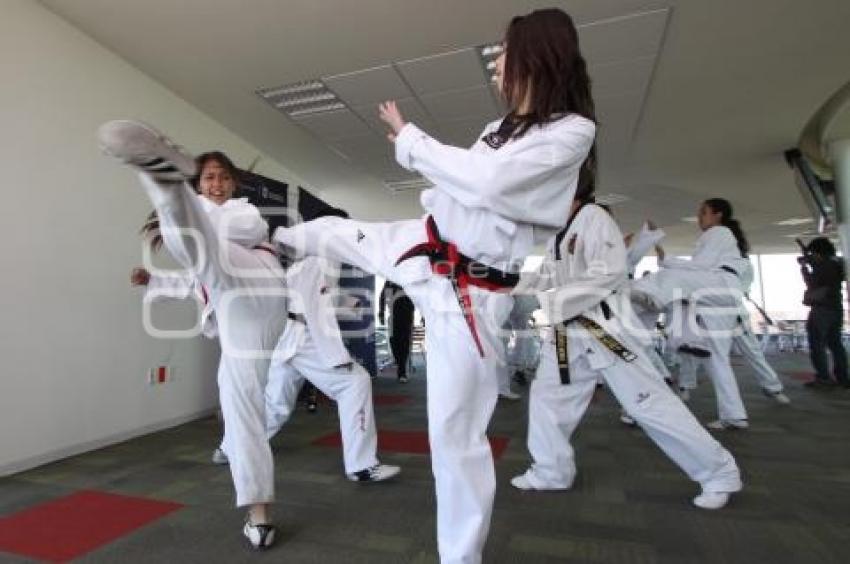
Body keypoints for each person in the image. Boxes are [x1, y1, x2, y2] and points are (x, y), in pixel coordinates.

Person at [272, 9, 597, 562]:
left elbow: (487, 184)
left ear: (537, 57)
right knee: (334, 232)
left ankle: (459, 557)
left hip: (469, 292)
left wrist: (412, 139)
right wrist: (432, 164)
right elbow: (464, 186)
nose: (496, 66)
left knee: (454, 434)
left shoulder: (572, 132)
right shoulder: (498, 130)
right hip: (423, 245)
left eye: (504, 54)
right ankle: (267, 237)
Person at [100, 135, 286, 549]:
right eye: (208, 178)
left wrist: (188, 213)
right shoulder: (203, 230)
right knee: (239, 406)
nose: (216, 183)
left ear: (232, 184)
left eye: (221, 177)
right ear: (199, 184)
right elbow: (197, 277)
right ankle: (259, 512)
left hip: (260, 286)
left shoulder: (245, 213)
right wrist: (155, 280)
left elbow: (220, 243)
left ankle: (163, 184)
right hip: (235, 313)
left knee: (203, 245)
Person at [510, 188, 742, 510]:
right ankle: (551, 471)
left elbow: (608, 273)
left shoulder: (594, 218)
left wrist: (552, 301)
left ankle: (719, 474)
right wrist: (504, 283)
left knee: (647, 404)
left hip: (606, 331)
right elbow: (546, 275)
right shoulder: (559, 234)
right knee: (547, 399)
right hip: (569, 331)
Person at [632, 199, 750, 430]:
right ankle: (734, 414)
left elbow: (701, 266)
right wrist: (666, 257)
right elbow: (698, 267)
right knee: (717, 358)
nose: (699, 217)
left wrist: (668, 262)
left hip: (718, 285)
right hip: (720, 296)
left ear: (718, 215)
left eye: (704, 212)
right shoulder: (720, 235)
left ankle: (652, 298)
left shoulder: (719, 231)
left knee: (673, 281)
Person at [800, 237, 849, 388]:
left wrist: (804, 269)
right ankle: (843, 377)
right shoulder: (836, 263)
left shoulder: (823, 267)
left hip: (821, 309)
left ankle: (823, 378)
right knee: (835, 344)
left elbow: (812, 283)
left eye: (813, 253)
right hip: (836, 308)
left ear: (818, 252)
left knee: (816, 344)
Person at [379, 280, 415, 382]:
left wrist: (424, 315)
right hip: (393, 316)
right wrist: (381, 313)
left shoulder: (409, 280)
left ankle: (402, 372)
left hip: (407, 316)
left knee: (404, 343)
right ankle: (400, 364)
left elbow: (419, 297)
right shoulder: (390, 280)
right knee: (393, 341)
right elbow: (382, 296)